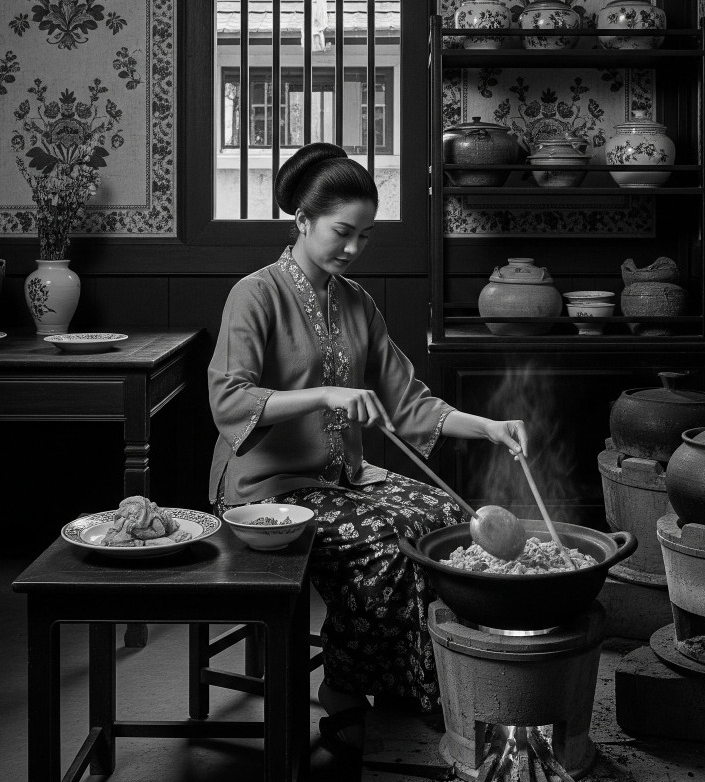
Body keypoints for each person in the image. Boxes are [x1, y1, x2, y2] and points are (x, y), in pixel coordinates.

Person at [207, 142, 528, 760]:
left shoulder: (358, 304)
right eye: (341, 232)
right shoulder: (255, 295)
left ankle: (415, 684)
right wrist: (323, 392)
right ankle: (346, 691)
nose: (353, 249)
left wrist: (488, 426)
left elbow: (410, 404)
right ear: (301, 219)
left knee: (445, 520)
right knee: (383, 545)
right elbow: (229, 402)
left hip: (344, 478)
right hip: (267, 492)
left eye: (365, 236)